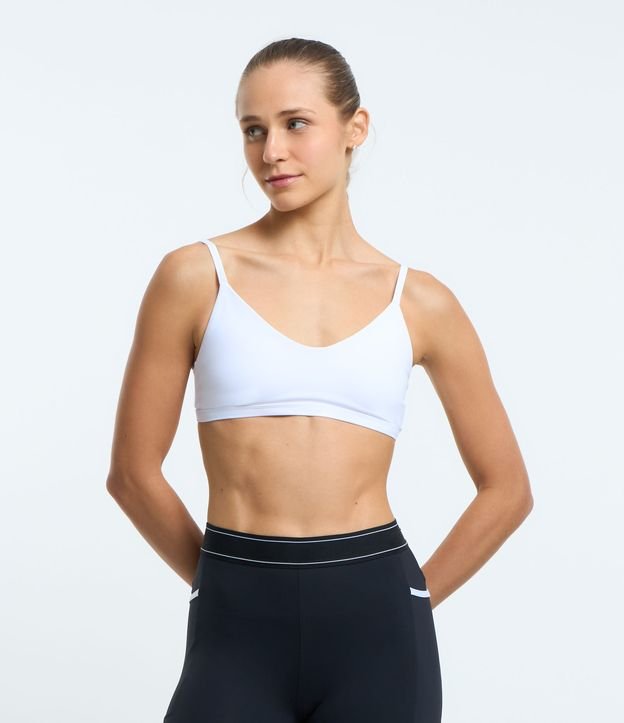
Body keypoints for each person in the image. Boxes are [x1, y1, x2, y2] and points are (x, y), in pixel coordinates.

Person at [106, 37, 534, 723]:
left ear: (354, 128)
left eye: (295, 123)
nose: (271, 151)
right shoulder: (195, 276)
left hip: (380, 624)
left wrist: (412, 598)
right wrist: (223, 581)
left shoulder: (420, 301)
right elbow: (132, 474)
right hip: (235, 620)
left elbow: (507, 488)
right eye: (253, 130)